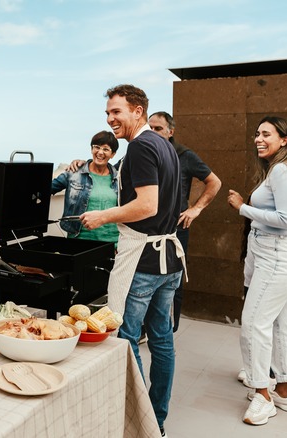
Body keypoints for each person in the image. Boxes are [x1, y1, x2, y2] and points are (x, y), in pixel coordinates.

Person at [79, 84, 184, 438]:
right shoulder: (164, 145)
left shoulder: (140, 147)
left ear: (138, 111)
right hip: (169, 260)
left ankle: (139, 421)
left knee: (124, 336)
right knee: (161, 338)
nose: (111, 119)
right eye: (108, 113)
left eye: (117, 112)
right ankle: (157, 419)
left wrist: (103, 216)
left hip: (143, 258)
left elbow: (147, 205)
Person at [227, 116, 287, 426]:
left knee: (253, 323)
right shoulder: (280, 170)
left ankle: (262, 395)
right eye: (257, 133)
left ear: (284, 139)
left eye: (266, 133)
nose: (258, 139)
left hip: (278, 258)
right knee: (281, 322)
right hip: (280, 257)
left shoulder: (280, 170)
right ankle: (284, 391)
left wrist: (242, 208)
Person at [149, 111, 221, 332]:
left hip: (175, 229)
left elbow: (214, 182)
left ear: (170, 132)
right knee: (146, 279)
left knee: (174, 280)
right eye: (149, 128)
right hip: (147, 228)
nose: (152, 133)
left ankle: (170, 329)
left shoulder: (184, 155)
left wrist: (195, 209)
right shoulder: (144, 152)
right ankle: (146, 328)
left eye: (158, 129)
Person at [51, 130, 119, 243]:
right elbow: (45, 189)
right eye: (96, 147)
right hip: (79, 239)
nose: (100, 152)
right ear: (91, 149)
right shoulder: (73, 173)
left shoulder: (119, 178)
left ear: (113, 154)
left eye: (106, 149)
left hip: (112, 241)